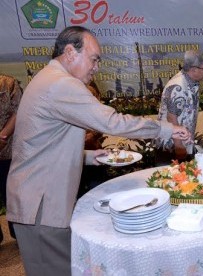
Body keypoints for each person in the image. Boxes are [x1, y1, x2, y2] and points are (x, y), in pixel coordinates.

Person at [6, 26, 190, 275]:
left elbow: (43, 144)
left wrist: (91, 156)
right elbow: (112, 121)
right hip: (41, 204)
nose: (96, 67)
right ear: (70, 52)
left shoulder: (47, 78)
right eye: (94, 59)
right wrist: (167, 129)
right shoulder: (61, 85)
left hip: (38, 199)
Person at [156, 50, 203, 163]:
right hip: (171, 147)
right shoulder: (177, 86)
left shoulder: (191, 82)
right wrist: (179, 146)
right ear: (194, 69)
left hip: (182, 144)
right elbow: (171, 118)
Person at [0, 74, 22, 244]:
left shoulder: (9, 83)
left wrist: (3, 136)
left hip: (9, 152)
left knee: (13, 196)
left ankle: (19, 234)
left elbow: (18, 111)